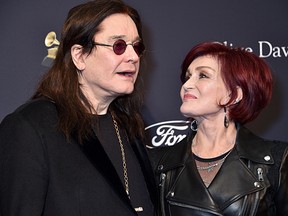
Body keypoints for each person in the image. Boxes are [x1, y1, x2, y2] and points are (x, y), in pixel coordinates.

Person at [0, 0, 157, 215]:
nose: (133, 57)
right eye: (118, 46)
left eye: (136, 47)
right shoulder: (30, 127)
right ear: (79, 55)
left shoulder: (130, 126)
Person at [149, 42, 288, 215]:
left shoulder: (276, 160)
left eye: (203, 76)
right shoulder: (160, 162)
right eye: (187, 77)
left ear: (234, 95)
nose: (187, 85)